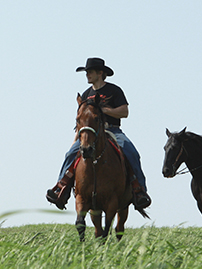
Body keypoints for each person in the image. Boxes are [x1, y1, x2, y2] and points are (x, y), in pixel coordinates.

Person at [46, 57, 151, 210]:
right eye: (86, 72)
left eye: (90, 72)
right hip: (88, 133)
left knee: (132, 153)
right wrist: (76, 140)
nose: (87, 75)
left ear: (100, 73)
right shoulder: (86, 94)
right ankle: (61, 189)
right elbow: (80, 121)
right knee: (70, 154)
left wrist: (105, 110)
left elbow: (125, 112)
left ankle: (139, 190)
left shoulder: (114, 90)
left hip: (112, 130)